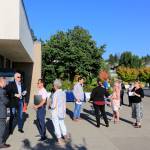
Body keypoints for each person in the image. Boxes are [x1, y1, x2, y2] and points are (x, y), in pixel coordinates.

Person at [51, 79, 68, 145]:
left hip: (55, 112)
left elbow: (53, 105)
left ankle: (59, 139)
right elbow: (64, 103)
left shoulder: (55, 94)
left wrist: (50, 105)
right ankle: (65, 136)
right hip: (62, 111)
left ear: (55, 85)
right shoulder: (63, 93)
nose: (53, 86)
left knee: (56, 125)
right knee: (62, 123)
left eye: (53, 85)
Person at [0, 77, 11, 149]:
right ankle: (1, 143)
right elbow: (6, 101)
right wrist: (8, 99)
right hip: (1, 113)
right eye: (4, 82)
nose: (5, 84)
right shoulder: (2, 91)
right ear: (0, 82)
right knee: (2, 128)